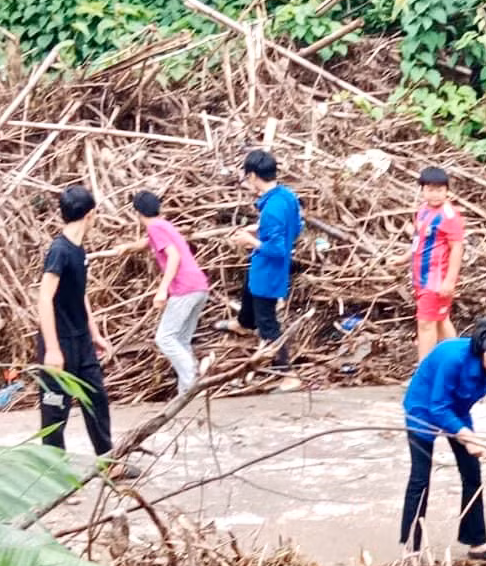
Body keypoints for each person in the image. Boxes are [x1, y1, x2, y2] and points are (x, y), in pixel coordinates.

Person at [400, 319, 486, 562]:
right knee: (420, 479)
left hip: (457, 412)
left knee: (472, 474)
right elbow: (438, 407)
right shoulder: (453, 358)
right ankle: (411, 550)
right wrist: (468, 437)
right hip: (423, 409)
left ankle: (477, 542)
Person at [35, 184, 119, 465]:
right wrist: (53, 350)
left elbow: (80, 295)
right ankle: (53, 475)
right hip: (59, 343)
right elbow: (45, 298)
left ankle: (108, 462)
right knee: (55, 409)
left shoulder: (79, 251)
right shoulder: (59, 251)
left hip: (81, 341)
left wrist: (94, 333)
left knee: (96, 400)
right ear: (91, 214)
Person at [222, 150, 303, 392]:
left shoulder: (272, 209)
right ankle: (243, 324)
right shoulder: (287, 197)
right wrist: (260, 229)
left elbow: (278, 250)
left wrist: (251, 240)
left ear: (254, 175)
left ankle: (288, 373)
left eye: (247, 177)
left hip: (269, 270)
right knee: (248, 290)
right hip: (262, 267)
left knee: (267, 322)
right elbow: (296, 227)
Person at [130, 191, 210, 396]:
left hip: (184, 288)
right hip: (199, 286)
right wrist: (125, 249)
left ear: (138, 213)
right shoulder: (163, 225)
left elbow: (173, 256)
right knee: (182, 340)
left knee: (164, 338)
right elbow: (147, 243)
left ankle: (193, 377)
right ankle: (187, 392)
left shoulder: (155, 228)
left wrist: (162, 290)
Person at [411, 166, 466, 363]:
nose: (435, 194)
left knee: (426, 323)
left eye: (439, 190)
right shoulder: (423, 211)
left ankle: (423, 372)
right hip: (420, 278)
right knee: (441, 321)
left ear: (446, 191)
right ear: (423, 190)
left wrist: (449, 281)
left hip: (436, 281)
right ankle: (460, 365)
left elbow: (457, 249)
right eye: (430, 189)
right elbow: (419, 240)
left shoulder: (449, 216)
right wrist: (402, 258)